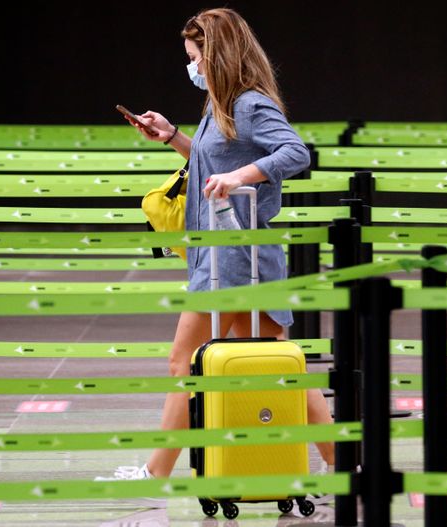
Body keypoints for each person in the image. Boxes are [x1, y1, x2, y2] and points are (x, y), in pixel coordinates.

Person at [97, 8, 334, 505]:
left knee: (184, 361)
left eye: (195, 56)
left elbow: (296, 153)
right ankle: (346, 465)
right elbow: (213, 165)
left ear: (217, 53)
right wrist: (173, 138)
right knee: (284, 370)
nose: (193, 66)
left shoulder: (249, 104)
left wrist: (241, 178)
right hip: (234, 254)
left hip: (235, 256)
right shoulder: (217, 105)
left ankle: (157, 474)